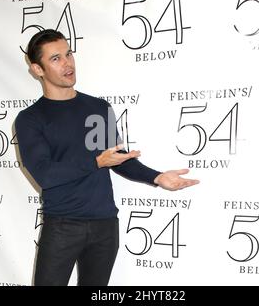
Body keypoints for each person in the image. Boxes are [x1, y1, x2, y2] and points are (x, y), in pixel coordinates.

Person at [15, 29, 200, 286]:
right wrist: (95, 162)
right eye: (55, 58)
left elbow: (118, 159)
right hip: (62, 227)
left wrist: (157, 177)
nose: (67, 63)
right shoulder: (30, 119)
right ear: (38, 69)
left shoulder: (97, 108)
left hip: (104, 226)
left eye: (68, 53)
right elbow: (45, 175)